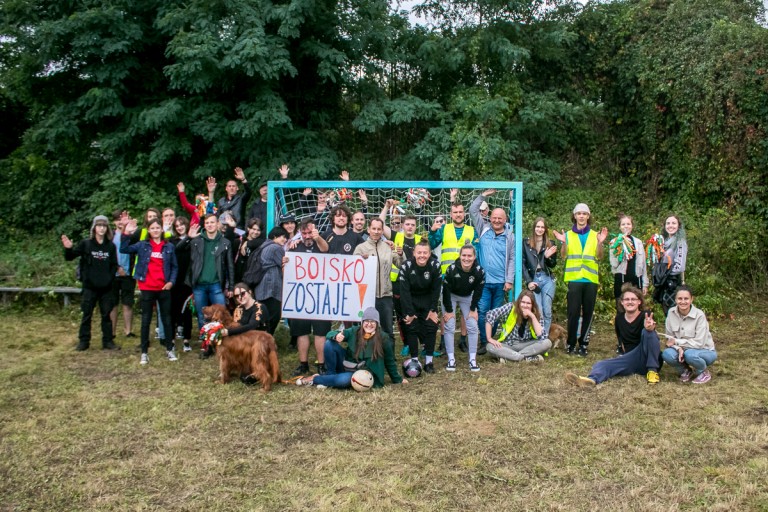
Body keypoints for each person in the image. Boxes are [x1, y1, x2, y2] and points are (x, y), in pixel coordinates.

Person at [565, 285, 663, 387]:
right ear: (622, 302)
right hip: (632, 360)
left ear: (639, 302)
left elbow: (652, 339)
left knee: (648, 332)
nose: (630, 302)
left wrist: (649, 328)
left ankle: (652, 371)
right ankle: (592, 380)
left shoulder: (646, 315)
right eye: (627, 299)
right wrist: (624, 359)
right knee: (601, 364)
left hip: (649, 357)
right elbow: (622, 341)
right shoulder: (619, 319)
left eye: (633, 299)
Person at [296, 307, 407, 389]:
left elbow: (389, 361)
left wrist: (397, 379)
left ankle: (315, 379)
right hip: (346, 366)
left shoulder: (384, 338)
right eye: (366, 321)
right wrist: (337, 336)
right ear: (362, 322)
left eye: (372, 321)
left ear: (377, 323)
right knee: (329, 344)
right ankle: (330, 376)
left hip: (363, 373)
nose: (369, 324)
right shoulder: (355, 330)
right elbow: (330, 334)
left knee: (344, 380)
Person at [553, 203, 608, 357]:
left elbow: (600, 256)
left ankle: (583, 344)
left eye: (584, 213)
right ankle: (571, 344)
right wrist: (564, 242)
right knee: (573, 312)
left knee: (588, 313)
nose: (582, 216)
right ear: (575, 216)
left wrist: (600, 242)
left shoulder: (595, 235)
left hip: (590, 279)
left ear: (588, 216)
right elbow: (563, 255)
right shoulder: (568, 235)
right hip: (574, 278)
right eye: (579, 213)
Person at [121, 218, 179, 364]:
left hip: (163, 288)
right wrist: (126, 234)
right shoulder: (142, 245)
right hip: (147, 287)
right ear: (148, 230)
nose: (155, 230)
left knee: (167, 319)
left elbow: (174, 267)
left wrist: (171, 282)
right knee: (146, 320)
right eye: (152, 228)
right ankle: (144, 352)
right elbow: (124, 249)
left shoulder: (169, 246)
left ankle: (169, 349)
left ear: (162, 229)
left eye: (157, 228)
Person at [61, 215, 118, 351]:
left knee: (106, 315)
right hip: (89, 287)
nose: (101, 228)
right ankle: (84, 341)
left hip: (106, 288)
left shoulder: (110, 246)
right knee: (87, 314)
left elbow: (113, 265)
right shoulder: (86, 244)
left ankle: (108, 341)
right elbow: (70, 257)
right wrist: (68, 248)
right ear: (94, 228)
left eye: (104, 226)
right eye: (99, 225)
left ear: (107, 228)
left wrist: (109, 279)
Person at [470, 190, 515, 355]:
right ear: (490, 218)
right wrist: (483, 196)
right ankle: (485, 341)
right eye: (494, 217)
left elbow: (512, 259)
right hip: (483, 281)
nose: (496, 220)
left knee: (495, 313)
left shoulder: (509, 236)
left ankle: (491, 338)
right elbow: (472, 210)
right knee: (483, 312)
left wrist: (509, 280)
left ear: (505, 220)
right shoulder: (483, 228)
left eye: (500, 218)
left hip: (500, 283)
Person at [175, 214, 235, 330]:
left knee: (221, 314)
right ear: (204, 225)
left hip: (216, 285)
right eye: (207, 223)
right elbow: (178, 249)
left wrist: (231, 287)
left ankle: (220, 338)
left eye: (212, 222)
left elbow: (230, 266)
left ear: (217, 224)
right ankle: (205, 340)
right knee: (202, 316)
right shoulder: (196, 241)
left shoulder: (225, 242)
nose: (209, 225)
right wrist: (188, 237)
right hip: (199, 285)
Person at [289, 219, 331, 376]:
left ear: (315, 230)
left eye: (310, 232)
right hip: (301, 297)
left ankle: (321, 365)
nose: (307, 236)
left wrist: (317, 237)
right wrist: (285, 263)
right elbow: (287, 272)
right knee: (302, 332)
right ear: (300, 233)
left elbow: (326, 249)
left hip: (320, 297)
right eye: (304, 233)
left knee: (321, 332)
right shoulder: (294, 247)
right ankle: (303, 364)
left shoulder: (321, 243)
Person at [399, 240, 442, 373]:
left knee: (431, 326)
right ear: (414, 253)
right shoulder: (406, 266)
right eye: (419, 253)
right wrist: (410, 313)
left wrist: (433, 309)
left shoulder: (435, 265)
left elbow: (436, 289)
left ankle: (429, 362)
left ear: (429, 254)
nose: (422, 255)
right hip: (411, 300)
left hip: (428, 301)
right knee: (411, 326)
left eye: (425, 253)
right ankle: (414, 360)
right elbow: (404, 291)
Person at [354, 218, 401, 337]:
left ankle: (389, 350)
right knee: (366, 329)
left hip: (386, 295)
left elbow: (400, 264)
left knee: (387, 330)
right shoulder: (361, 248)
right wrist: (360, 259)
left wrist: (401, 254)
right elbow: (354, 271)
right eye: (373, 228)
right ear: (368, 229)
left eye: (379, 229)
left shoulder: (388, 246)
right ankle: (366, 349)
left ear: (382, 231)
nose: (376, 231)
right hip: (367, 296)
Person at [661, 285, 717, 384]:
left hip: (704, 351)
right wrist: (678, 348)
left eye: (686, 298)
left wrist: (678, 343)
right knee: (667, 354)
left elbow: (699, 343)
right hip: (682, 350)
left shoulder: (699, 315)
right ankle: (686, 370)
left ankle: (703, 372)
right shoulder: (671, 313)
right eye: (680, 298)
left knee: (690, 355)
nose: (683, 301)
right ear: (675, 299)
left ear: (691, 299)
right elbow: (670, 340)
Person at [442, 245, 485, 371]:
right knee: (449, 324)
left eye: (469, 255)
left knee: (472, 325)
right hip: (451, 296)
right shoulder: (451, 269)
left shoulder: (479, 271)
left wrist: (473, 309)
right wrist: (449, 311)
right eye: (464, 255)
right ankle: (451, 359)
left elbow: (478, 292)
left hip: (467, 297)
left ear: (474, 257)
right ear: (460, 256)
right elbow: (446, 291)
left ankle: (472, 359)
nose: (466, 258)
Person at [485, 290, 551, 363]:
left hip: (528, 345)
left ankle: (511, 358)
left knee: (547, 343)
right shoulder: (511, 307)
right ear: (519, 302)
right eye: (523, 302)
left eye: (528, 303)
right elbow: (490, 315)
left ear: (532, 305)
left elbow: (542, 337)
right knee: (489, 346)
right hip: (509, 344)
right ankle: (525, 358)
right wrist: (489, 338)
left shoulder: (536, 313)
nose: (525, 305)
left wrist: (532, 316)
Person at [522, 217, 557, 335]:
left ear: (545, 229)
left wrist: (547, 257)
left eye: (542, 227)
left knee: (547, 311)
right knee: (538, 310)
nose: (540, 229)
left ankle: (544, 337)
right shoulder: (526, 243)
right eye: (538, 226)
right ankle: (537, 335)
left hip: (547, 279)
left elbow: (553, 265)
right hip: (534, 279)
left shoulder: (550, 243)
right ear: (534, 228)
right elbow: (523, 264)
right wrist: (528, 281)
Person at [252, 227, 289, 335]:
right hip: (271, 289)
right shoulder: (275, 248)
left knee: (263, 316)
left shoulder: (264, 245)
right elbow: (285, 266)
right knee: (274, 316)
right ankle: (266, 338)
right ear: (275, 236)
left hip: (261, 288)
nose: (285, 240)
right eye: (283, 237)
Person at [609, 214, 648, 313]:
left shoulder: (638, 242)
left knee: (637, 311)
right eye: (623, 224)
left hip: (636, 281)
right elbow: (614, 264)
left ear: (632, 226)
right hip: (621, 281)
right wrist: (620, 248)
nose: (626, 226)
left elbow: (643, 265)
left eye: (628, 224)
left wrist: (645, 284)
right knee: (621, 310)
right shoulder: (614, 242)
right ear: (619, 227)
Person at [653, 215, 688, 315]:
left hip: (673, 282)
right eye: (668, 223)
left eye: (673, 223)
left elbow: (680, 267)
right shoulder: (663, 241)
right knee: (667, 313)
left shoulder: (680, 242)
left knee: (674, 313)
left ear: (678, 225)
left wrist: (664, 273)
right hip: (663, 283)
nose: (670, 225)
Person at [110, 209, 135, 339]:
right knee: (113, 304)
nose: (121, 222)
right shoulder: (110, 236)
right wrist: (117, 267)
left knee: (128, 303)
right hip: (113, 275)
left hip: (128, 274)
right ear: (114, 222)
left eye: (123, 219)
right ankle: (112, 332)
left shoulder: (131, 236)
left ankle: (128, 331)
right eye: (118, 220)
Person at [169, 215, 194, 352]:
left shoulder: (194, 240)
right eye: (177, 226)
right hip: (174, 280)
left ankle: (186, 340)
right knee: (173, 310)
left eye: (181, 224)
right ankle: (171, 340)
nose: (179, 227)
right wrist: (188, 237)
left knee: (187, 312)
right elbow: (177, 249)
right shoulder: (172, 241)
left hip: (188, 281)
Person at [233, 218, 265, 284]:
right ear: (248, 228)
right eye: (253, 229)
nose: (255, 232)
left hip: (254, 280)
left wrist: (248, 243)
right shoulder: (238, 242)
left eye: (258, 230)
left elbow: (266, 241)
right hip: (238, 279)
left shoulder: (261, 243)